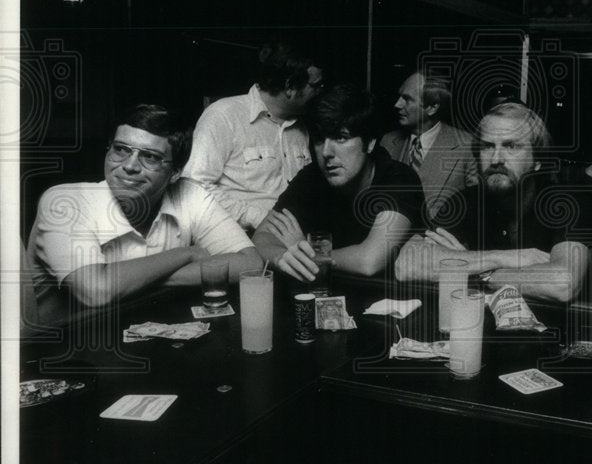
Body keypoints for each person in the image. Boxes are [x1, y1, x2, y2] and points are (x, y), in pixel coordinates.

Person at [26, 105, 261, 327]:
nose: (129, 165)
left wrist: (128, 280)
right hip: (65, 351)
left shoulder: (191, 194)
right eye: (121, 149)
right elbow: (95, 290)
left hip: (143, 336)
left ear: (176, 172)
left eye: (150, 157)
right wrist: (186, 254)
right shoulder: (63, 202)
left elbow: (250, 264)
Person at [394, 102, 592, 303]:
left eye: (511, 146)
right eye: (488, 146)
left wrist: (475, 270)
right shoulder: (465, 200)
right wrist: (499, 259)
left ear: (537, 159)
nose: (496, 159)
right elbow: (406, 266)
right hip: (478, 325)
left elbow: (563, 284)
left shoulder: (566, 203)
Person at [252, 84, 424, 281]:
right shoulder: (312, 177)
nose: (326, 152)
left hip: (394, 304)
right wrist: (283, 257)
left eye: (341, 138)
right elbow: (262, 237)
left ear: (369, 143)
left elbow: (369, 261)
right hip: (327, 298)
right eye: (319, 140)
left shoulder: (400, 179)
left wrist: (308, 254)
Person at [183, 42, 325, 230]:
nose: (320, 91)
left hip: (294, 238)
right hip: (239, 238)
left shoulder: (302, 128)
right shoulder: (223, 115)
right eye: (315, 85)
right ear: (290, 86)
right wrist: (262, 219)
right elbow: (195, 186)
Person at [378, 72, 477, 221]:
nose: (397, 104)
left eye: (407, 99)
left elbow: (476, 208)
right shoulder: (388, 142)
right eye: (399, 97)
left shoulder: (467, 146)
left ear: (432, 108)